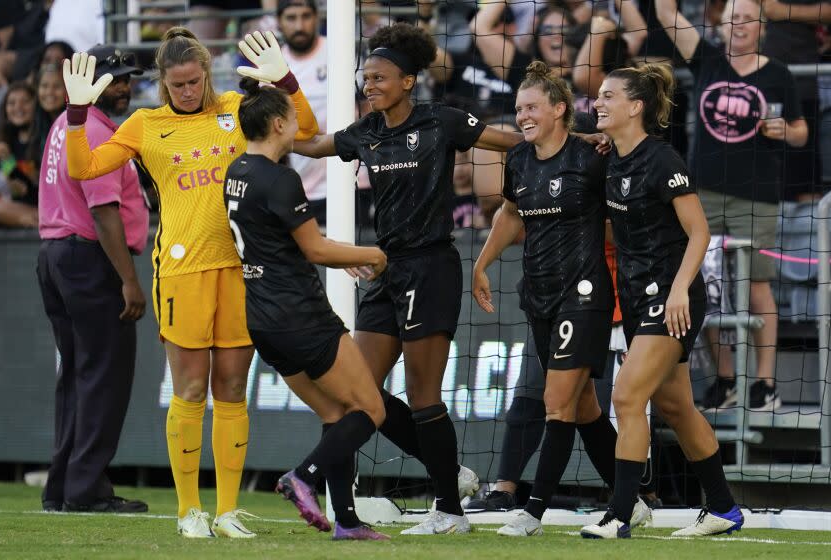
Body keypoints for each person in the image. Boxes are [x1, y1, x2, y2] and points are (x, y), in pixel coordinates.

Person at [61, 28, 318, 538]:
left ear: (207, 73)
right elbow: (84, 167)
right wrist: (76, 116)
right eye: (177, 85)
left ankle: (226, 512)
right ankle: (187, 512)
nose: (187, 92)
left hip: (240, 270)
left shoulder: (234, 110)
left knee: (231, 389)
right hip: (180, 273)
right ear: (162, 83)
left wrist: (287, 83)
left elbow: (304, 133)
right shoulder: (144, 125)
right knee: (192, 388)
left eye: (195, 81)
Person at [293, 21, 527, 535]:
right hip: (384, 270)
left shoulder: (441, 121)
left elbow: (508, 140)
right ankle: (452, 476)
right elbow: (308, 145)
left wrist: (570, 141)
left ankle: (450, 510)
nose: (368, 85)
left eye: (378, 78)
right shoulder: (364, 132)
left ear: (408, 81)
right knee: (360, 395)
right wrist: (283, 88)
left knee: (424, 397)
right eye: (364, 78)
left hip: (432, 266)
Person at [472, 61, 649, 537]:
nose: (523, 116)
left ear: (560, 109)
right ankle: (632, 499)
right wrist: (481, 263)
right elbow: (511, 213)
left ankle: (532, 513)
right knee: (585, 407)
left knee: (555, 404)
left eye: (532, 107)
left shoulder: (593, 156)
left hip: (585, 294)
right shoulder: (520, 161)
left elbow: (627, 203)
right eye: (518, 109)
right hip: (539, 295)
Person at [579, 63, 743, 539]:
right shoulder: (611, 159)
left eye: (609, 97)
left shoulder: (662, 159)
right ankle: (723, 509)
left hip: (672, 297)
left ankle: (620, 514)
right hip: (635, 299)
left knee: (627, 396)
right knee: (676, 408)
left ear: (636, 107)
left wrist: (677, 292)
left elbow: (700, 231)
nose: (598, 103)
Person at [225, 76, 390, 541]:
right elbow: (315, 250)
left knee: (338, 415)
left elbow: (288, 244)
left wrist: (342, 253)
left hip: (263, 321)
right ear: (278, 124)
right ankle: (303, 475)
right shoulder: (281, 178)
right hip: (302, 316)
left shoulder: (236, 172)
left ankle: (348, 522)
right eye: (294, 117)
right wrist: (371, 255)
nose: (301, 123)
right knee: (370, 410)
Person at [655, 0, 808, 412]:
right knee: (702, 288)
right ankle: (726, 382)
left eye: (747, 19)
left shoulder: (777, 74)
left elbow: (801, 132)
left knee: (757, 285)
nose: (738, 25)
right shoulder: (707, 58)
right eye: (731, 19)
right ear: (720, 26)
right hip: (699, 195)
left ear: (762, 27)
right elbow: (666, 13)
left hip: (756, 196)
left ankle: (765, 385)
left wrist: (784, 130)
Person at [36, 44, 148, 513]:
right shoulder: (97, 133)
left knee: (78, 378)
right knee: (103, 378)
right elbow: (104, 213)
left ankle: (62, 486)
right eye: (112, 78)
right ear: (90, 82)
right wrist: (129, 280)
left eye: (126, 78)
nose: (122, 87)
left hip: (57, 255)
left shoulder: (68, 123)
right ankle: (86, 490)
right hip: (91, 257)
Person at [278, 0, 329, 225]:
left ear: (317, 17)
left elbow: (367, 107)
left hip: (350, 182)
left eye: (306, 16)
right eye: (291, 17)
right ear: (279, 22)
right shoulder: (273, 63)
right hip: (296, 187)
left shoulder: (339, 52)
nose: (299, 25)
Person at [0, 81, 39, 227]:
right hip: (20, 207)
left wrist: (17, 168)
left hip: (45, 209)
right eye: (11, 103)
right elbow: (18, 186)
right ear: (5, 109)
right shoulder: (6, 141)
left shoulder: (44, 137)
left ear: (36, 106)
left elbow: (37, 179)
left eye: (25, 102)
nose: (18, 107)